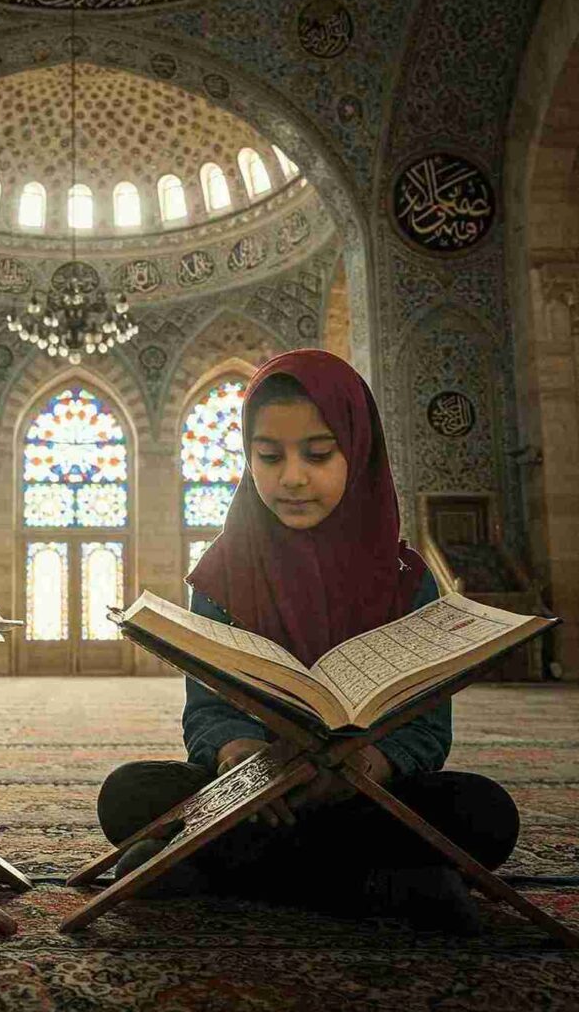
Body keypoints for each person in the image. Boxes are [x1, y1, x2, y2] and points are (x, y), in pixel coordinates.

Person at [97, 349, 519, 933]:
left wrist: (369, 764)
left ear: (359, 451)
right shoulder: (224, 573)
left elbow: (426, 729)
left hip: (367, 796)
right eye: (269, 456)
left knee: (484, 813)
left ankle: (204, 868)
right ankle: (380, 883)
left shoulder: (406, 580)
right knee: (128, 794)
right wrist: (237, 756)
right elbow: (208, 713)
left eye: (318, 454)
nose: (292, 477)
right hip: (253, 798)